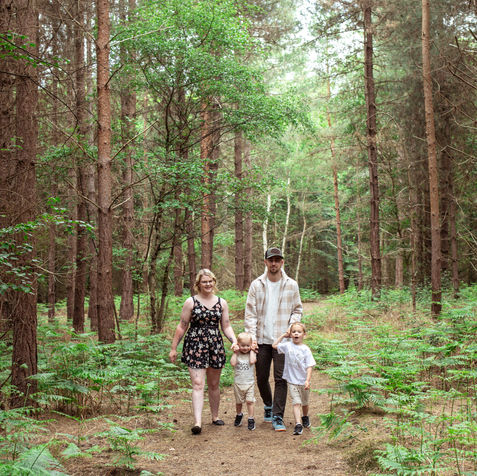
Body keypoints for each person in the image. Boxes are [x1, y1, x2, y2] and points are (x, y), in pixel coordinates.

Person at [169, 269, 238, 435]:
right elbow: (182, 326)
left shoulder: (222, 303)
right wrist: (173, 348)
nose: (208, 284)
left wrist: (234, 341)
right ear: (198, 284)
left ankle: (215, 417)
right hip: (194, 345)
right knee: (198, 384)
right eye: (204, 282)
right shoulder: (191, 302)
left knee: (214, 384)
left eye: (210, 281)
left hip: (215, 345)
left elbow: (226, 326)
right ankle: (198, 422)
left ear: (214, 282)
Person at [244, 246, 303, 432]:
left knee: (280, 378)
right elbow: (250, 314)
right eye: (271, 260)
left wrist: (290, 329)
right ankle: (268, 404)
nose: (274, 263)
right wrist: (252, 339)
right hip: (261, 339)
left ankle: (278, 416)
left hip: (282, 341)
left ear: (282, 262)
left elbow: (297, 309)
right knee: (261, 377)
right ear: (265, 262)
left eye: (277, 260)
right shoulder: (256, 285)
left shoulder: (291, 285)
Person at [272, 322, 316, 435]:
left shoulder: (305, 349)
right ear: (290, 334)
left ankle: (305, 416)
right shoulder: (287, 346)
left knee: (305, 403)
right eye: (294, 332)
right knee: (296, 403)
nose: (296, 333)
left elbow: (309, 366)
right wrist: (283, 335)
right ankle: (298, 424)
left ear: (304, 335)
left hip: (303, 381)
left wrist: (307, 380)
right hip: (292, 381)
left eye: (299, 332)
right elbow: (274, 345)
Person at [230, 332, 257, 431]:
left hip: (249, 383)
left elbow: (252, 361)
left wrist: (252, 350)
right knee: (239, 402)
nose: (245, 348)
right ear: (238, 345)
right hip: (238, 383)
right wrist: (235, 352)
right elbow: (233, 363)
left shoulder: (251, 354)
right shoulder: (237, 355)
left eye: (247, 345)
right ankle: (239, 415)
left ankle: (251, 418)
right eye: (242, 345)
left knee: (250, 401)